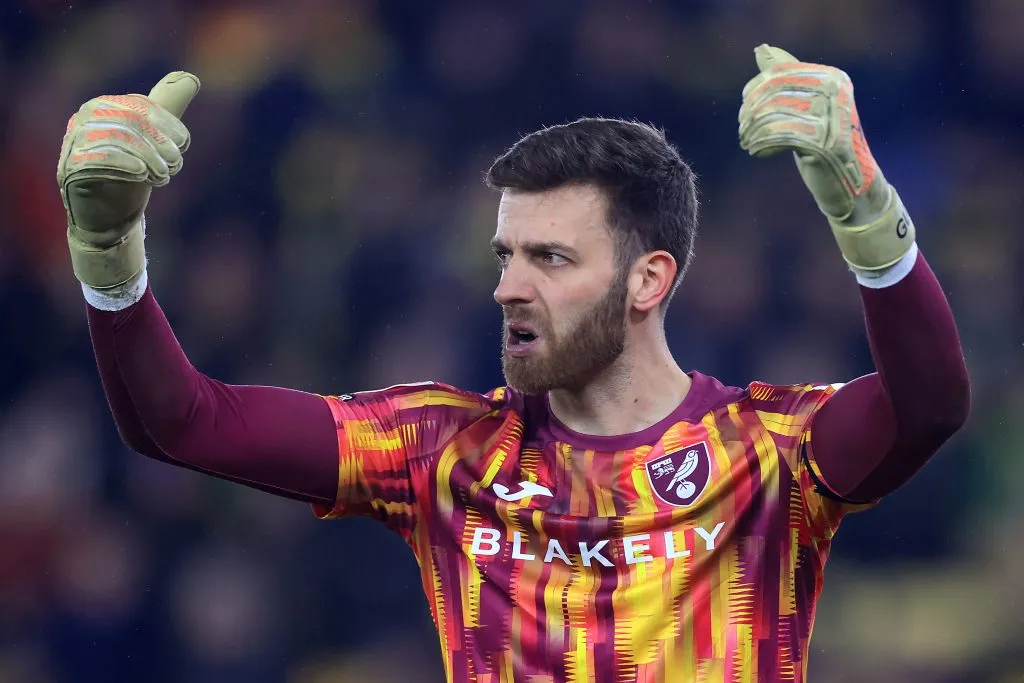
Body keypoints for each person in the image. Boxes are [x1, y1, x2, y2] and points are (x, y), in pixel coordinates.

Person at [56, 44, 969, 682]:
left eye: (551, 259)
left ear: (650, 279)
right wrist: (109, 253)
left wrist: (867, 213)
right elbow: (179, 422)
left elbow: (927, 405)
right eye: (505, 255)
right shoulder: (440, 452)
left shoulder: (768, 449)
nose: (508, 288)